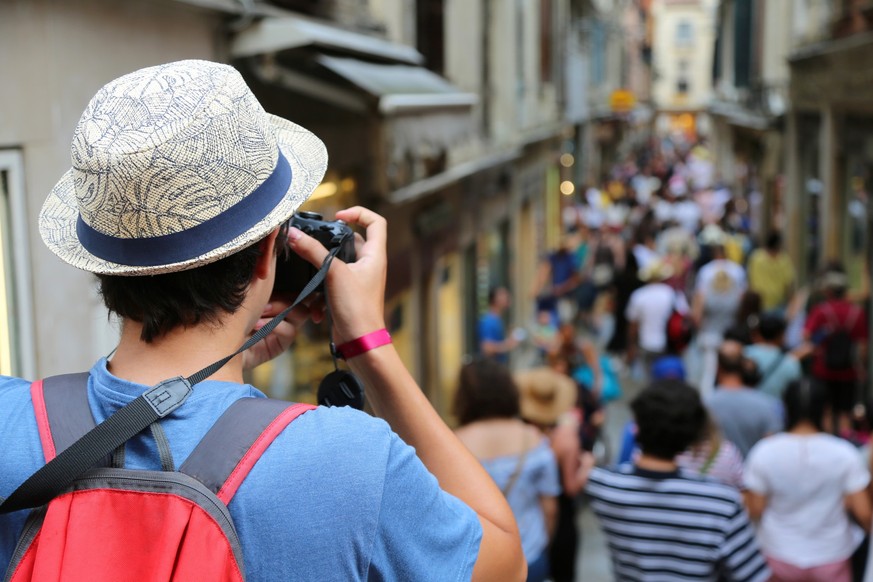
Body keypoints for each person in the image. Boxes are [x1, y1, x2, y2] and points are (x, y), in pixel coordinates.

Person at [0, 61, 525, 581]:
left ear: (106, 267)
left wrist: (214, 378)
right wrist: (369, 345)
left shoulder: (8, 423)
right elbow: (504, 560)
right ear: (266, 255)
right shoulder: (347, 463)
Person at [585, 380, 770, 581]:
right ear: (693, 433)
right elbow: (753, 575)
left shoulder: (604, 487)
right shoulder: (722, 503)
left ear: (635, 427)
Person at [745, 380, 871, 581]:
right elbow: (864, 513)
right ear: (826, 410)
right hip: (832, 554)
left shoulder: (764, 451)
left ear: (786, 408)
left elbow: (756, 508)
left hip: (777, 552)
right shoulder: (845, 453)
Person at [454, 361, 561, 582]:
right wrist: (543, 545)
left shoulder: (452, 443)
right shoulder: (532, 438)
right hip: (528, 552)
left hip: (478, 562)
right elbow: (550, 509)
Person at [514, 367, 593, 582]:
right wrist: (587, 467)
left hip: (524, 524)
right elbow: (570, 487)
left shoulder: (519, 436)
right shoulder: (567, 437)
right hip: (561, 522)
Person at [804, 270, 869, 436]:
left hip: (822, 369)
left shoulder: (821, 310)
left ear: (828, 291)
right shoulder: (857, 313)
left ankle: (827, 443)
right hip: (848, 371)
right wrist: (860, 366)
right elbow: (862, 345)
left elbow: (806, 335)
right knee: (845, 413)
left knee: (825, 411)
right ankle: (846, 443)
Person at [706, 340, 783, 458]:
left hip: (716, 475)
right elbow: (773, 450)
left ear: (718, 368)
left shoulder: (705, 405)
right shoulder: (767, 405)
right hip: (752, 474)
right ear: (743, 366)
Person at [744, 313, 804, 399]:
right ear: (781, 335)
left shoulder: (743, 353)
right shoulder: (791, 363)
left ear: (758, 333)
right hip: (776, 411)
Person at [747, 231, 796, 314]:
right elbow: (789, 285)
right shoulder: (783, 260)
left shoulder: (756, 257)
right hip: (770, 305)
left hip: (766, 305)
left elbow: (750, 280)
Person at [478, 286, 519, 364]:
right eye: (502, 295)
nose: (507, 297)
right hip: (492, 369)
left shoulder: (498, 319)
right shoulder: (488, 321)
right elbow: (486, 348)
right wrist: (507, 345)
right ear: (494, 299)